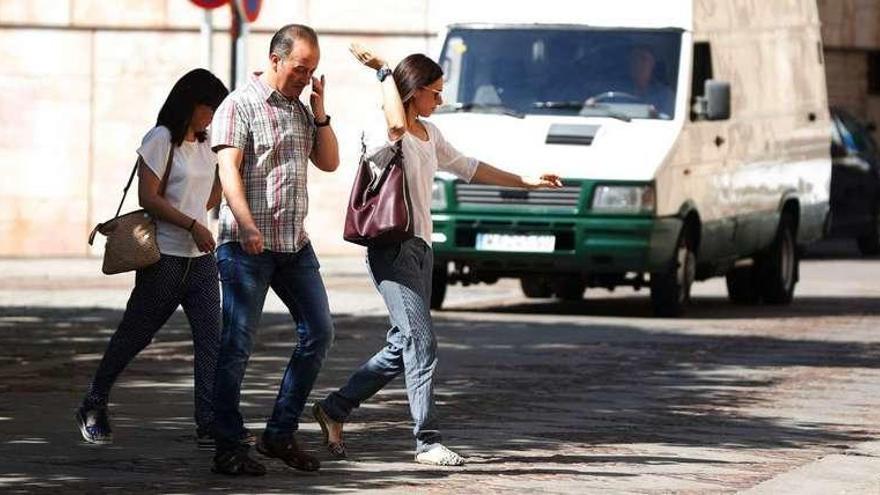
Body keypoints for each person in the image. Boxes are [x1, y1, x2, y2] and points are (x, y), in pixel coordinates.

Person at [311, 44, 562, 467]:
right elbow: (395, 125)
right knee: (422, 344)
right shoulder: (382, 132)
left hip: (422, 250)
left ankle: (334, 409)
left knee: (402, 344)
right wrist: (384, 72)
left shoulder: (431, 134)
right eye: (435, 92)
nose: (440, 100)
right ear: (413, 91)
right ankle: (427, 441)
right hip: (390, 248)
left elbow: (470, 167)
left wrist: (527, 181)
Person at [209, 24, 339, 476]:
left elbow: (328, 162)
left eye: (313, 71)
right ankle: (227, 445)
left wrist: (321, 114)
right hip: (247, 245)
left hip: (293, 245)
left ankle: (279, 433)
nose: (306, 78)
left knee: (319, 332)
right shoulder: (238, 105)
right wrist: (245, 224)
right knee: (237, 344)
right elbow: (229, 170)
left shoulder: (302, 110)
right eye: (301, 69)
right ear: (275, 58)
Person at [76, 69, 229, 447]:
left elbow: (207, 200)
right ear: (190, 102)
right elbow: (149, 197)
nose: (212, 116)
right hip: (164, 259)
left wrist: (226, 175)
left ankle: (207, 422)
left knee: (212, 342)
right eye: (209, 108)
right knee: (135, 335)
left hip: (201, 262)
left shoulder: (208, 143)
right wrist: (193, 224)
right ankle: (94, 401)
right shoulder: (161, 139)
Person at [624, 45, 675, 117]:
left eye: (643, 59)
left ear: (652, 63)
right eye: (634, 58)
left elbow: (669, 121)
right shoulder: (615, 91)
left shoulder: (665, 95)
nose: (638, 63)